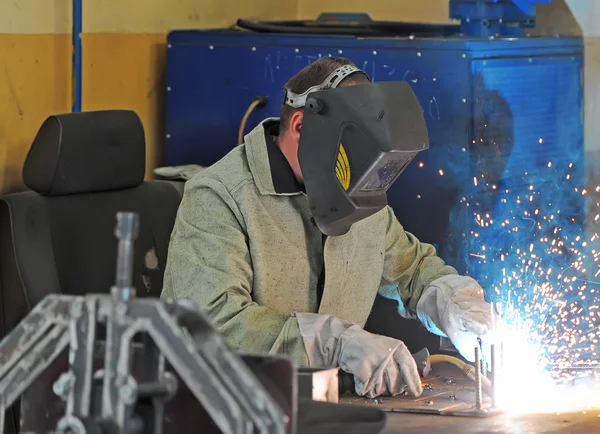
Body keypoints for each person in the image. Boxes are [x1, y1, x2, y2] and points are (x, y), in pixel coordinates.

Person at [161, 57, 496, 399]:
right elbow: (212, 325)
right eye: (351, 151)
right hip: (228, 407)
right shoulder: (219, 197)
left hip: (323, 406)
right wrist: (331, 343)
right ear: (302, 127)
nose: (362, 174)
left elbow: (410, 269)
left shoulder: (355, 195)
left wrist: (452, 300)